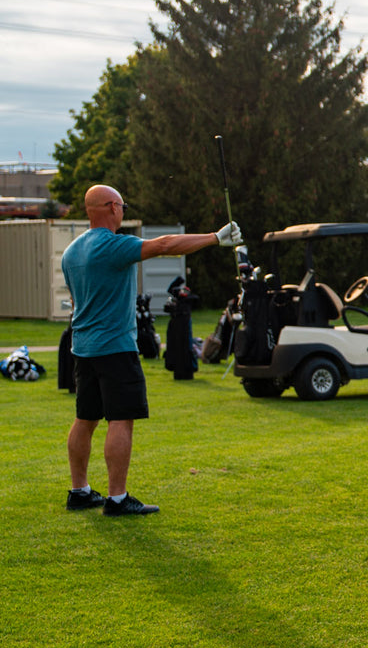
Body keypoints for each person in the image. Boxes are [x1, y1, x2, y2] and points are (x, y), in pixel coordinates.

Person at [60, 185, 241, 515]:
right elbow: (166, 245)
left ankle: (80, 491)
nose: (123, 211)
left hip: (83, 349)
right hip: (114, 348)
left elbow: (75, 302)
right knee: (121, 419)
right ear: (113, 208)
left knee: (85, 418)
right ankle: (117, 498)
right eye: (123, 206)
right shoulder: (114, 246)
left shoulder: (70, 252)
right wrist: (216, 237)